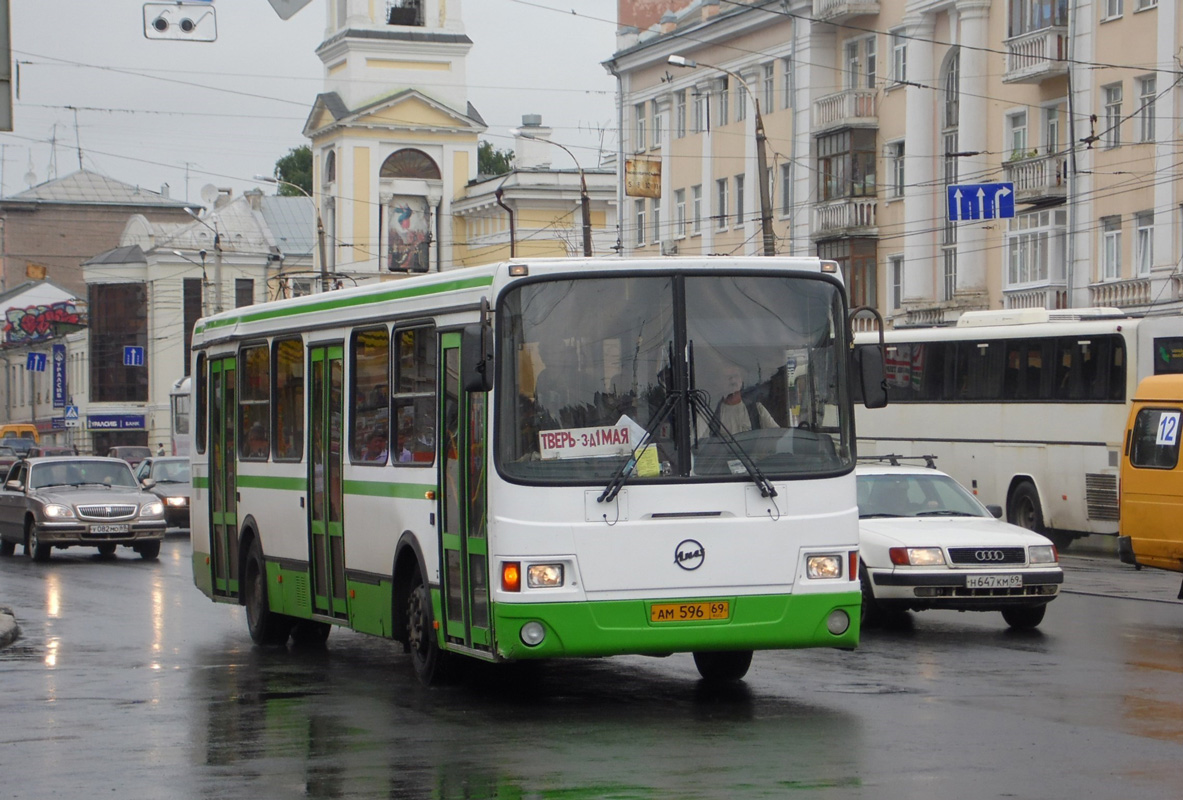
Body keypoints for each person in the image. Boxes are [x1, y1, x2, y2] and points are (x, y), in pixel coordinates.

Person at [710, 363, 779, 434]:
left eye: (736, 376)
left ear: (742, 380)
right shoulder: (711, 412)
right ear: (719, 382)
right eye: (728, 377)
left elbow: (775, 434)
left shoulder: (757, 409)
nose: (733, 380)